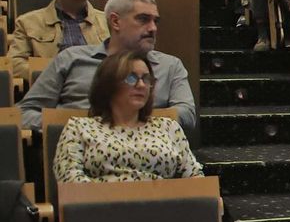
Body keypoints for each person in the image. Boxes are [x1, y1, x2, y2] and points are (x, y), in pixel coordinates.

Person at [20, 0, 196, 135]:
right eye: (143, 19)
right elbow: (24, 113)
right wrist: (79, 124)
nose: (153, 28)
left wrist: (131, 120)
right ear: (115, 21)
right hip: (78, 152)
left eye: (155, 21)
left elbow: (187, 115)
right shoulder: (72, 58)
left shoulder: (170, 66)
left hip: (148, 156)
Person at [53, 50, 203, 185]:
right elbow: (69, 180)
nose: (141, 85)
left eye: (146, 79)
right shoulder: (79, 127)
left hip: (163, 209)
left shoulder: (168, 127)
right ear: (108, 84)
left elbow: (194, 175)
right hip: (101, 210)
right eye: (131, 78)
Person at [8, 0, 106, 77]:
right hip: (54, 91)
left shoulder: (106, 21)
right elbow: (14, 65)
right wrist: (58, 75)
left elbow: (123, 62)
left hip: (99, 91)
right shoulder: (28, 22)